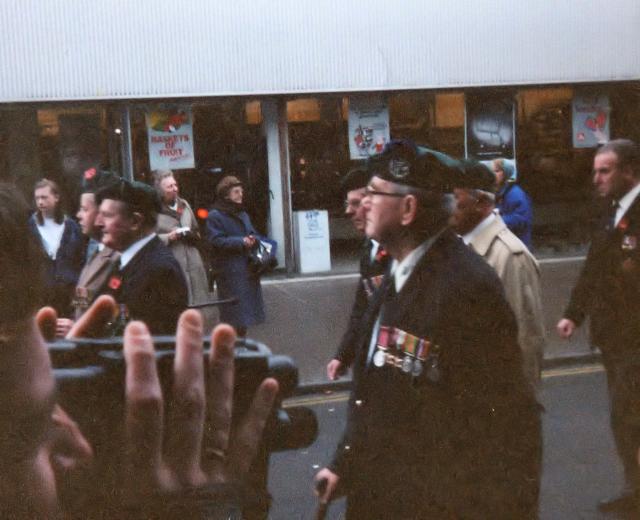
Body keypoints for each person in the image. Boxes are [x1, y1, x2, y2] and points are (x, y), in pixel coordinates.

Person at [0, 182, 279, 519]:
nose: (78, 451)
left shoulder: (156, 267)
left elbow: (159, 354)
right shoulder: (122, 262)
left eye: (107, 214)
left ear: (135, 221)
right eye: (27, 435)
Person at [315, 140, 541, 519]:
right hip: (382, 493)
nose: (362, 202)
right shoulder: (398, 271)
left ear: (408, 209)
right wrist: (343, 464)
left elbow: (507, 424)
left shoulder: (466, 286)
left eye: (373, 192)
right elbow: (378, 392)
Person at [556, 138, 640, 515]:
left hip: (636, 340)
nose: (596, 178)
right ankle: (633, 487)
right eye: (594, 171)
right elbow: (594, 269)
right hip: (615, 339)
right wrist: (574, 314)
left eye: (605, 170)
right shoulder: (611, 211)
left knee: (631, 415)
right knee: (624, 418)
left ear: (629, 171)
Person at [450, 159, 546, 388]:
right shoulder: (458, 248)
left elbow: (523, 342)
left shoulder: (510, 257)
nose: (448, 207)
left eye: (455, 198)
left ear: (481, 202)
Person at [94, 177, 188, 334]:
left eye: (107, 215)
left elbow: (158, 347)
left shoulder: (160, 270)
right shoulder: (127, 261)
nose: (98, 223)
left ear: (135, 222)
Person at [326, 166, 391, 381]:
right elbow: (362, 307)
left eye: (356, 203)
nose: (348, 211)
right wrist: (343, 355)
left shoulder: (397, 250)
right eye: (348, 204)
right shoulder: (369, 249)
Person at [55, 168, 121, 337]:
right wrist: (73, 322)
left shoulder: (118, 257)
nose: (78, 215)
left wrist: (77, 328)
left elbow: (117, 319)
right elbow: (82, 296)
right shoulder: (95, 250)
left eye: (84, 209)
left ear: (101, 214)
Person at [153, 169, 214, 328]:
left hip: (194, 262)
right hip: (173, 262)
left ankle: (201, 339)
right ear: (160, 191)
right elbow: (148, 239)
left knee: (200, 306)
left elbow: (195, 228)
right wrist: (168, 237)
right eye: (169, 187)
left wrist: (192, 234)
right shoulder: (154, 212)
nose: (174, 189)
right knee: (180, 306)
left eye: (175, 185)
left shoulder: (184, 205)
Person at [205, 175, 265, 337]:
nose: (240, 194)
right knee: (232, 318)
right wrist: (241, 242)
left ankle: (241, 348)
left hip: (246, 270)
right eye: (236, 192)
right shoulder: (215, 216)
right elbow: (215, 241)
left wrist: (253, 239)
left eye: (241, 191)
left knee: (243, 318)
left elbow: (253, 232)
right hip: (230, 273)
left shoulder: (242, 214)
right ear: (226, 195)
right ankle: (230, 351)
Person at [28, 178, 84, 316]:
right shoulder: (29, 227)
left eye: (44, 197)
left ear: (56, 197)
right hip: (40, 297)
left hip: (69, 297)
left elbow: (82, 267)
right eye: (37, 198)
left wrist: (80, 310)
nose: (40, 202)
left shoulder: (72, 227)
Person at [492, 158, 534, 248]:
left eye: (497, 171)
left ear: (505, 173)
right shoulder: (499, 191)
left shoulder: (515, 193)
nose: (493, 174)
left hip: (517, 244)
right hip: (507, 243)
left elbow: (522, 219)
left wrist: (496, 220)